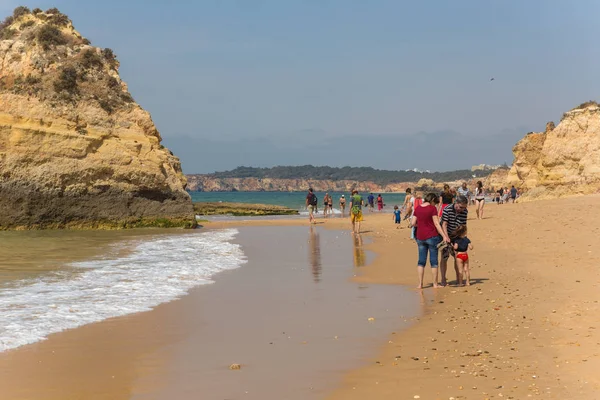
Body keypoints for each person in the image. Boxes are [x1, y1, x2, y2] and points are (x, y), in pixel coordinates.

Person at [411, 193, 451, 289]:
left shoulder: (417, 208)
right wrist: (444, 236)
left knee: (421, 261)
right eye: (435, 202)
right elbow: (437, 224)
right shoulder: (432, 209)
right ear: (432, 200)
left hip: (420, 237)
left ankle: (420, 284)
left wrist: (421, 225)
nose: (435, 204)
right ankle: (435, 284)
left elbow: (412, 223)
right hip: (432, 236)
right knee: (434, 261)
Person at [440, 195, 469, 286]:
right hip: (445, 235)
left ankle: (458, 278)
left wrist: (463, 239)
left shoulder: (464, 212)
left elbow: (463, 226)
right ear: (455, 203)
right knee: (444, 257)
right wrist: (446, 237)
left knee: (457, 257)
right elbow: (444, 224)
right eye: (460, 207)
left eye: (464, 208)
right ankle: (443, 279)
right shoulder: (447, 209)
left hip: (457, 237)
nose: (462, 209)